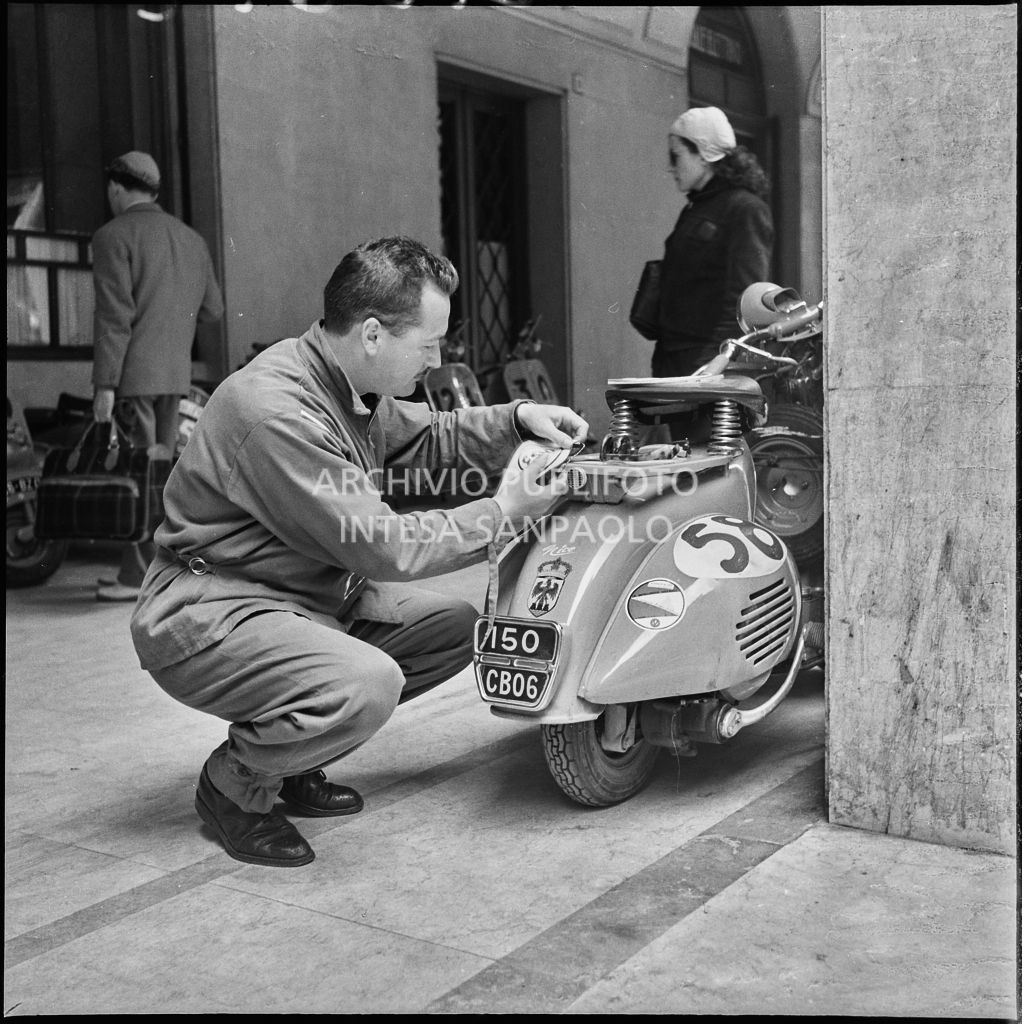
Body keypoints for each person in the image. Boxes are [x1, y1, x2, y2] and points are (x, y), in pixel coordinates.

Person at [130, 236, 588, 868]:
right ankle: (234, 785)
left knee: (454, 629)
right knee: (368, 684)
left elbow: (429, 436)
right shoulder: (278, 412)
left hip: (299, 596)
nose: (436, 361)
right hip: (213, 610)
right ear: (373, 334)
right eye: (428, 345)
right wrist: (504, 513)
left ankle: (294, 758)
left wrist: (518, 419)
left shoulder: (340, 382)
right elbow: (383, 547)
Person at [91, 151, 224, 602]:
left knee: (134, 476)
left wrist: (104, 386)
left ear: (115, 188)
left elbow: (114, 318)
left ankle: (137, 576)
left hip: (132, 381)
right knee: (161, 475)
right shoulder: (191, 239)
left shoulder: (113, 235)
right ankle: (156, 572)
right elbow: (213, 309)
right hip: (174, 377)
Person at [653, 106, 774, 380]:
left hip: (707, 368)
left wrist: (712, 366)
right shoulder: (696, 208)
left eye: (676, 155)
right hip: (675, 363)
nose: (671, 166)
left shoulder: (745, 209)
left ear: (704, 155)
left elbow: (743, 302)